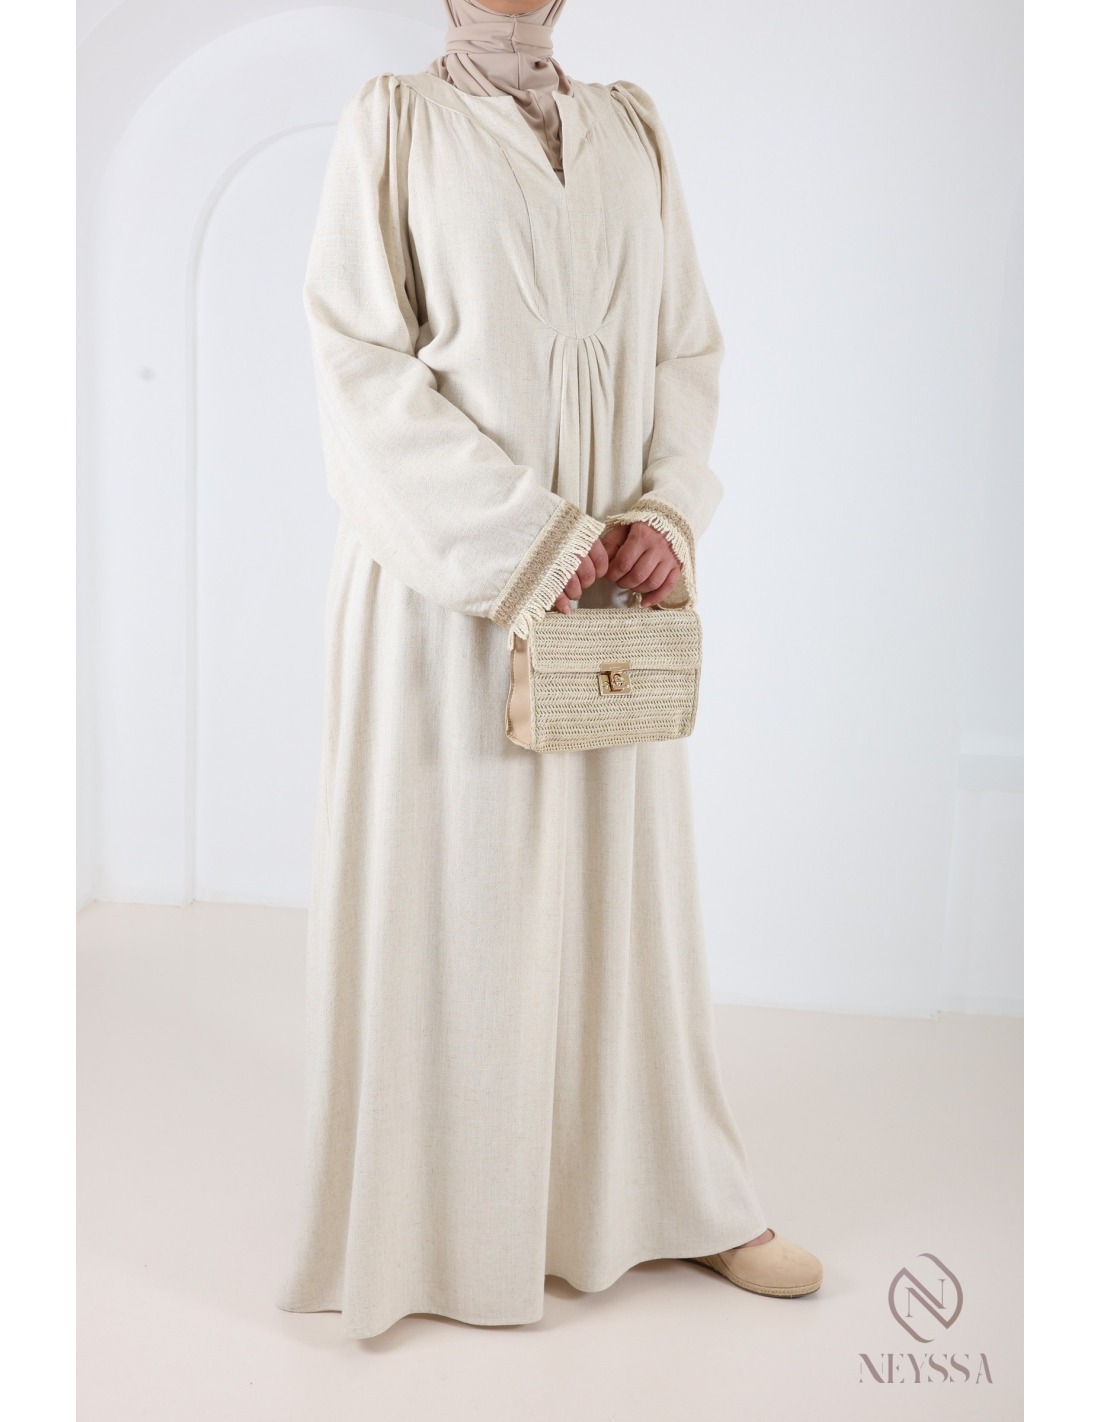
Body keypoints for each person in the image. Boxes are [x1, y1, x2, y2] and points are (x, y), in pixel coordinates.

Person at [276, 0, 823, 1341]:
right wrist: (526, 540)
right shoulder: (395, 126)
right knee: (452, 897)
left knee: (619, 903)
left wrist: (666, 509)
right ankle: (440, 1227)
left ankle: (670, 1197)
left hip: (610, 592)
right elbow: (356, 365)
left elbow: (687, 349)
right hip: (449, 588)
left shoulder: (632, 130)